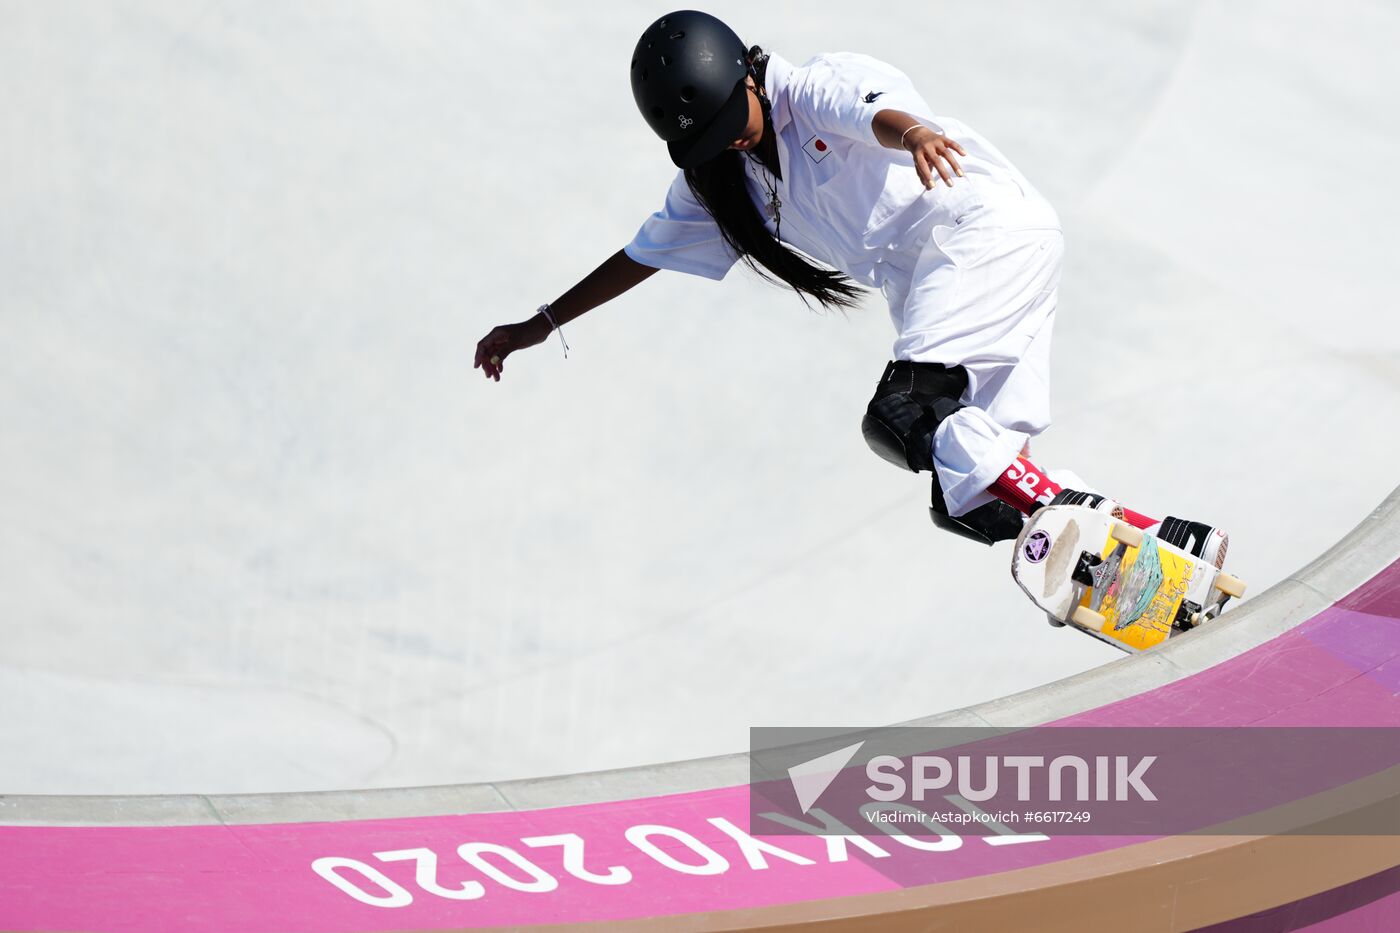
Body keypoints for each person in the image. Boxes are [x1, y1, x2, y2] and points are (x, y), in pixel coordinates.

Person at [474, 10, 1227, 566]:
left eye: (730, 117)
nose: (730, 139)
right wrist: (540, 324)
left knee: (903, 416)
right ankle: (1148, 547)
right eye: (707, 139)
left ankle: (1081, 522)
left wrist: (915, 134)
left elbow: (871, 115)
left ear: (746, 76)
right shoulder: (722, 182)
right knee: (965, 498)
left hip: (981, 233)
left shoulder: (811, 87)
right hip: (945, 283)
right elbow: (642, 254)